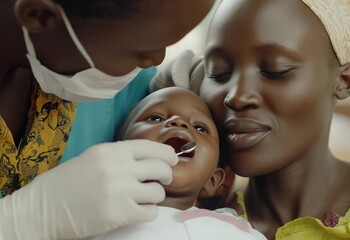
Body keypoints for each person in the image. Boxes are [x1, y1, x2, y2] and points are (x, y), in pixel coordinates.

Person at [152, 0, 350, 239]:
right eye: (219, 73)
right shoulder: (193, 219)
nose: (236, 96)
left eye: (275, 70)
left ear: (344, 81)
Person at [0, 0, 215, 239]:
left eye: (200, 127)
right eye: (140, 49)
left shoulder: (129, 86)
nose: (157, 59)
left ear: (217, 179)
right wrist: (16, 222)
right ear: (40, 17)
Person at [87, 87, 266, 240]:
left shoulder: (237, 231)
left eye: (200, 128)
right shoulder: (87, 220)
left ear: (213, 180)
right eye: (156, 118)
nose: (178, 122)